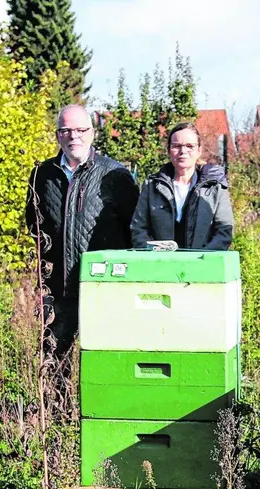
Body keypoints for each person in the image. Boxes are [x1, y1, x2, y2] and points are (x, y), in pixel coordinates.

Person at [23, 104, 139, 362]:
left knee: (104, 363)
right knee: (53, 361)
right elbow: (34, 224)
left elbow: (134, 231)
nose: (73, 136)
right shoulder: (42, 175)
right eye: (65, 130)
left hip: (104, 288)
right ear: (57, 135)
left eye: (80, 129)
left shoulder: (115, 175)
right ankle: (57, 405)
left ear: (92, 133)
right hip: (58, 288)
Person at [130, 122, 233, 250]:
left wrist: (202, 258)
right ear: (168, 150)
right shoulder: (152, 186)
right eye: (176, 146)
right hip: (161, 265)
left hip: (202, 265)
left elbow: (224, 232)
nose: (183, 151)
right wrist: (154, 252)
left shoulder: (214, 188)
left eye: (190, 146)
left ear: (199, 151)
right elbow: (138, 229)